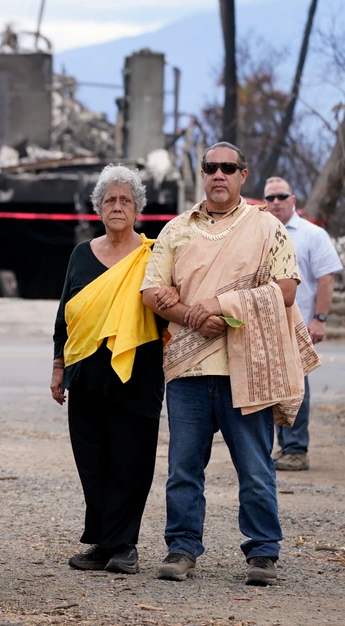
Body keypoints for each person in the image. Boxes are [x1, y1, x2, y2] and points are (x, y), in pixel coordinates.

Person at [141, 142, 319, 586]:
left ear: (243, 175)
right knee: (183, 469)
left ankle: (263, 554)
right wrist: (193, 317)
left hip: (249, 362)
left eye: (228, 168)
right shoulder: (177, 229)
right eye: (211, 168)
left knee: (256, 468)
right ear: (202, 174)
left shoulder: (265, 227)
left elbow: (286, 290)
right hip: (189, 370)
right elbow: (151, 292)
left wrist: (221, 306)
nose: (218, 174)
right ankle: (181, 549)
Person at [52, 165, 174, 576]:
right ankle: (102, 543)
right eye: (109, 200)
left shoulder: (153, 254)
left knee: (131, 458)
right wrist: (58, 367)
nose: (117, 206)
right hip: (85, 372)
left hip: (137, 373)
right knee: (93, 460)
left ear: (138, 208)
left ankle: (125, 545)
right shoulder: (80, 254)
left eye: (125, 200)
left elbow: (167, 310)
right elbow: (64, 315)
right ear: (98, 209)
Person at [263, 176, 343, 471]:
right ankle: (282, 448)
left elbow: (326, 279)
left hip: (299, 324)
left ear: (293, 200)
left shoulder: (312, 235)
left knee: (296, 387)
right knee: (271, 388)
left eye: (281, 196)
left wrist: (319, 319)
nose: (275, 203)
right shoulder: (260, 234)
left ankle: (296, 449)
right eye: (269, 198)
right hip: (264, 326)